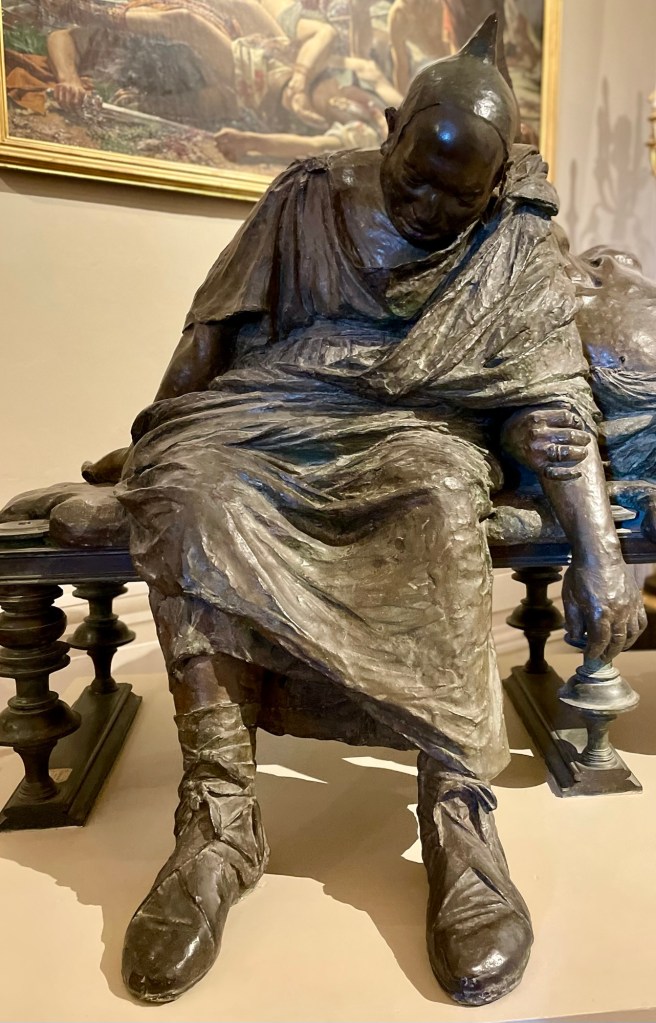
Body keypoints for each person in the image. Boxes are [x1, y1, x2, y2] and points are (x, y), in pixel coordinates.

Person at [5, 14, 643, 1009]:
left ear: (495, 186)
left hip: (419, 432)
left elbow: (551, 404)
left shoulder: (515, 242)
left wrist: (599, 552)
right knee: (192, 492)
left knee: (438, 498)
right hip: (272, 411)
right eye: (414, 177)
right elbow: (210, 338)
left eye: (458, 196)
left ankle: (460, 818)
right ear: (388, 128)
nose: (429, 207)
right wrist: (159, 438)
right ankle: (218, 819)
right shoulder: (305, 195)